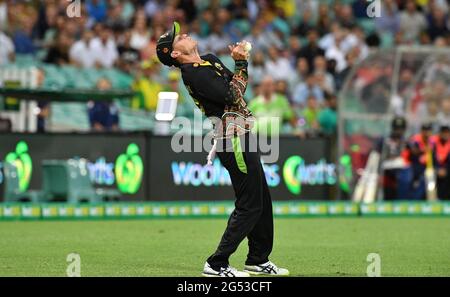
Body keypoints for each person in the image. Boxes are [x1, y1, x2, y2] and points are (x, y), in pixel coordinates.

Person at [156, 22, 289, 277]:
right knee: (249, 204)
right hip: (232, 139)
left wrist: (240, 67)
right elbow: (233, 95)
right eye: (177, 38)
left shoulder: (209, 60)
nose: (183, 34)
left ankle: (257, 259)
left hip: (242, 133)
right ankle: (217, 263)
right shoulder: (193, 73)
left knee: (261, 199)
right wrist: (240, 64)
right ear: (175, 54)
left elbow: (238, 90)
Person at [432, 126, 450, 200]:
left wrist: (446, 170)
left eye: (447, 133)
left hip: (447, 169)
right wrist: (437, 169)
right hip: (435, 169)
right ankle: (433, 199)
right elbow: (431, 159)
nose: (445, 135)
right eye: (443, 133)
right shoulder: (433, 143)